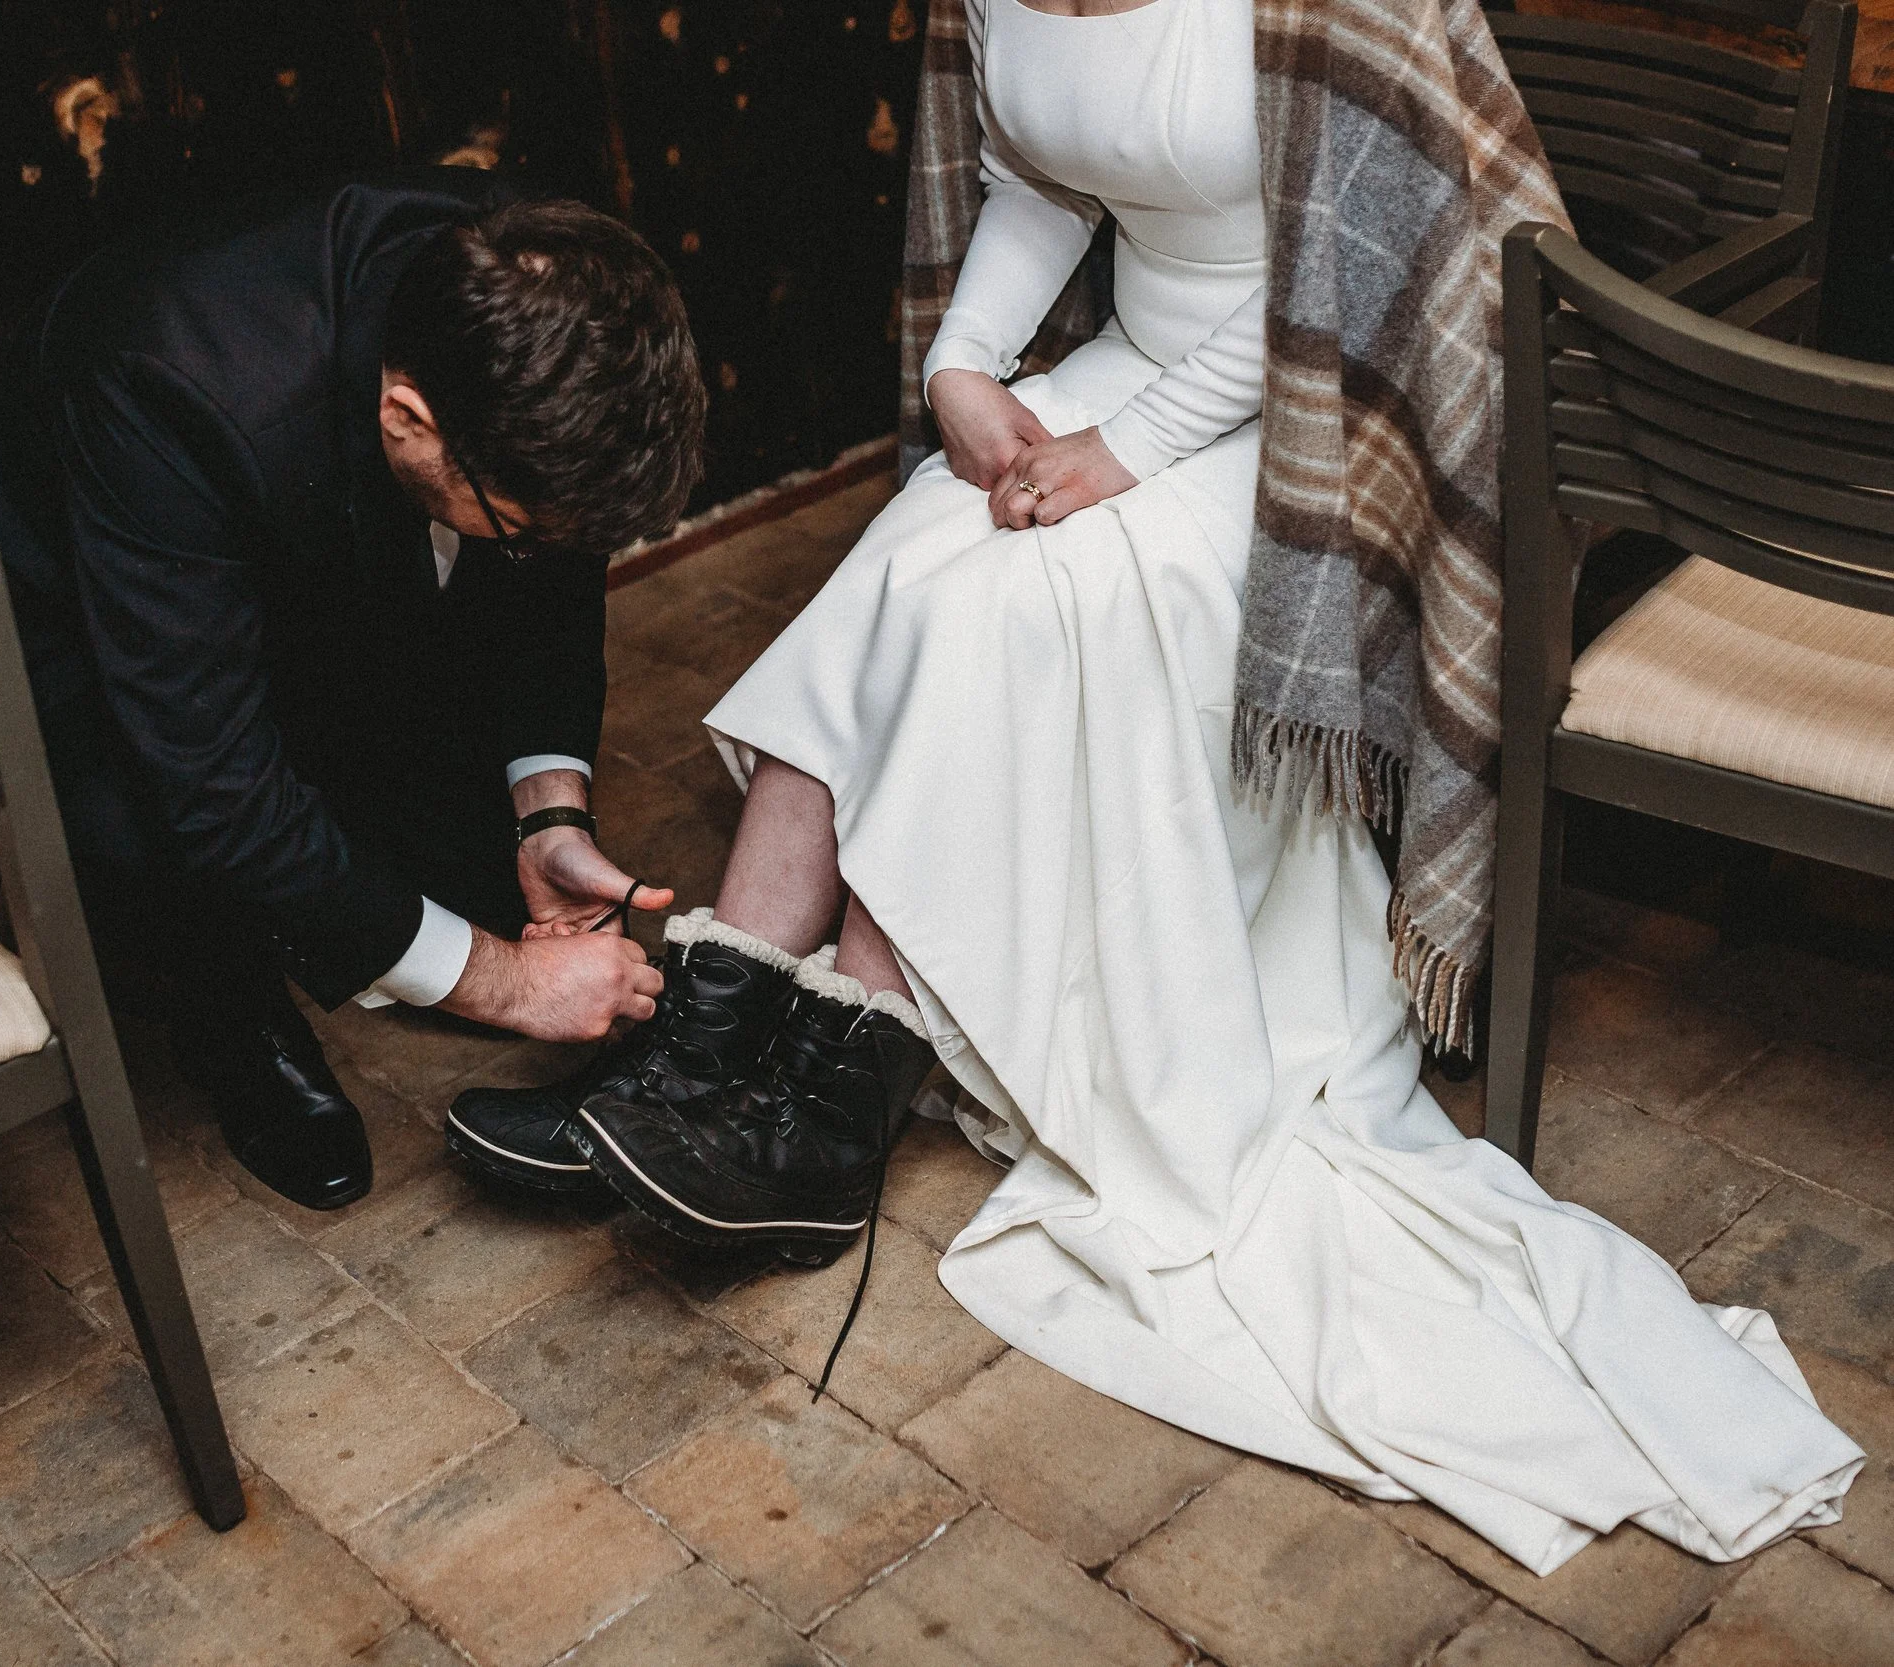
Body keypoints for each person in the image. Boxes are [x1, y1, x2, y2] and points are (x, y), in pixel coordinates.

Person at [450, 0, 1863, 1577]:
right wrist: (968, 369)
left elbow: (1370, 254)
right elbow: (1046, 179)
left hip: (1311, 408)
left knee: (994, 607)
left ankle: (827, 1108)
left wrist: (1128, 448)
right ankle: (704, 1037)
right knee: (906, 554)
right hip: (1126, 362)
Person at [0, 171, 700, 1212]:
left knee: (455, 895)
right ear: (409, 418)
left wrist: (549, 811)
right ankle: (227, 1011)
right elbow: (215, 785)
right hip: (73, 605)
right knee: (165, 821)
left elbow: (551, 574)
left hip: (310, 554)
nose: (547, 547)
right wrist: (504, 981)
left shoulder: (542, 293)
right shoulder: (168, 384)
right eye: (527, 523)